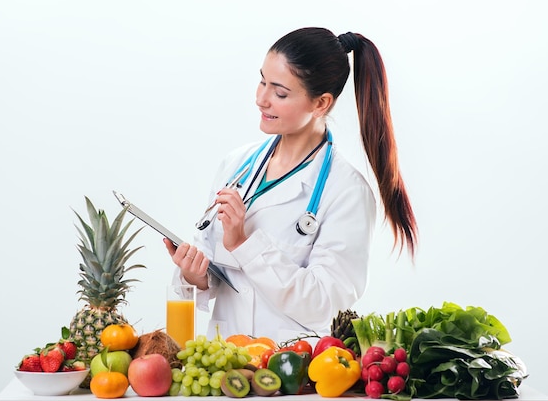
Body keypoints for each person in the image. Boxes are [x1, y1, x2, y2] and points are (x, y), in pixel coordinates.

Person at [164, 27, 418, 342]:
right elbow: (219, 268)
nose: (261, 100)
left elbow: (327, 305)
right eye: (262, 81)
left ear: (321, 103)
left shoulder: (347, 191)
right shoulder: (236, 166)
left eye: (280, 93)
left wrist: (245, 244)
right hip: (223, 365)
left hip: (293, 370)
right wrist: (196, 275)